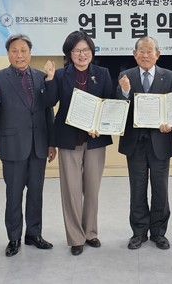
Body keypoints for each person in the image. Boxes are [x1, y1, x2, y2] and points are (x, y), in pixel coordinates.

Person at [0, 34, 56, 257]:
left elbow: (48, 111)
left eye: (23, 50)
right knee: (13, 194)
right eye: (14, 50)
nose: (19, 55)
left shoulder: (42, 78)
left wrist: (51, 143)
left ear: (30, 53)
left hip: (39, 145)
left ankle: (34, 234)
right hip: (12, 144)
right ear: (8, 53)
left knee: (36, 193)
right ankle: (14, 237)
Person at [43, 30, 113, 256]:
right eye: (76, 51)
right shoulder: (62, 75)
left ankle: (91, 232)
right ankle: (76, 237)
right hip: (68, 139)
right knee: (71, 190)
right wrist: (50, 78)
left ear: (92, 52)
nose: (82, 55)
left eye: (86, 50)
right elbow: (50, 101)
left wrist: (100, 125)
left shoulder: (102, 73)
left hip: (95, 139)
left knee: (92, 189)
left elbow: (109, 104)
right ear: (69, 54)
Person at [116, 36, 172, 250]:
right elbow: (118, 108)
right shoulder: (125, 76)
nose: (145, 55)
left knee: (161, 189)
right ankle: (139, 232)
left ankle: (159, 232)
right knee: (137, 187)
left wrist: (171, 123)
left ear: (157, 54)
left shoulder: (170, 77)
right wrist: (124, 91)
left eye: (149, 51)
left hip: (160, 141)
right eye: (141, 51)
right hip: (135, 143)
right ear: (134, 55)